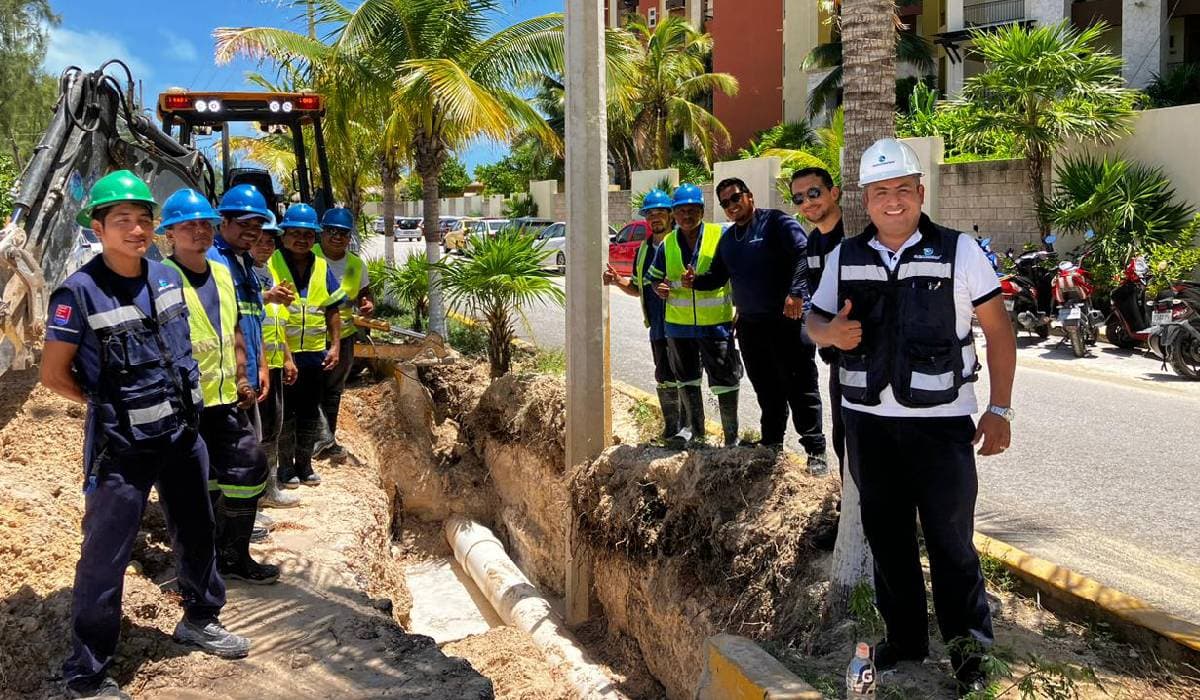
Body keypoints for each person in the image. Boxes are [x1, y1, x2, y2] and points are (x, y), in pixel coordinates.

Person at [806, 139, 1016, 697]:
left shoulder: (959, 251)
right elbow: (814, 320)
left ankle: (971, 658)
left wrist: (999, 409)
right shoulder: (845, 256)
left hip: (940, 425)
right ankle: (905, 641)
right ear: (865, 200)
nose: (893, 201)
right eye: (881, 192)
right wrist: (830, 333)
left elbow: (999, 331)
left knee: (951, 542)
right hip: (867, 424)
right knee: (888, 537)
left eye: (903, 189)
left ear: (921, 192)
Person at [40, 171, 249, 699]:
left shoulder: (166, 278)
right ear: (99, 228)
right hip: (121, 450)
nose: (136, 229)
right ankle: (87, 672)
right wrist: (108, 406)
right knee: (105, 556)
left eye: (143, 219)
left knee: (197, 528)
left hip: (182, 436)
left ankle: (200, 618)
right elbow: (53, 374)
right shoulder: (78, 292)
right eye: (122, 220)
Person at [159, 188, 279, 585]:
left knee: (249, 466)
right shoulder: (161, 279)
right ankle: (201, 562)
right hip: (184, 406)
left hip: (224, 398)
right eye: (188, 226)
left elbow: (234, 328)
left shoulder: (223, 274)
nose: (199, 231)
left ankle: (232, 554)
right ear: (169, 234)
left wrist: (243, 375)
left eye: (203, 224)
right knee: (195, 483)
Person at [684, 177, 827, 472]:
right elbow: (717, 277)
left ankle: (815, 451)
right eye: (725, 203)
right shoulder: (729, 240)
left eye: (735, 198)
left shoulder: (776, 223)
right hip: (751, 327)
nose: (731, 206)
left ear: (749, 196)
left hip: (788, 321)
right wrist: (694, 281)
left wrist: (796, 293)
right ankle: (772, 443)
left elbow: (803, 254)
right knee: (766, 387)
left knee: (800, 386)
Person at [209, 185, 297, 508]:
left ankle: (246, 511)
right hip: (224, 378)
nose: (253, 232)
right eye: (245, 224)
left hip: (247, 372)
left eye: (257, 226)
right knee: (232, 454)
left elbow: (252, 318)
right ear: (224, 221)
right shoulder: (214, 260)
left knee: (249, 445)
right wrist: (238, 374)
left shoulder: (243, 262)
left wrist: (260, 366)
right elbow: (221, 323)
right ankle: (232, 518)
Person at [646, 183, 743, 446]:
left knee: (725, 379)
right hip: (678, 326)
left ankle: (731, 437)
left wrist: (741, 308)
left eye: (692, 210)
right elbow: (654, 278)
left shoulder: (720, 235)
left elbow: (737, 274)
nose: (686, 216)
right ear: (674, 214)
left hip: (716, 324)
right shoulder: (668, 243)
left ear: (702, 210)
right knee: (687, 379)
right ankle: (697, 434)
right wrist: (659, 288)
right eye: (681, 211)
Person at [268, 203, 346, 488]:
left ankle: (305, 464)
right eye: (295, 233)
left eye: (308, 234)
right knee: (286, 413)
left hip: (314, 354)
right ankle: (285, 467)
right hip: (283, 353)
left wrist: (335, 346)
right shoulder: (271, 263)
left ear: (315, 237)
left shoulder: (321, 266)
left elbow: (332, 308)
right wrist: (286, 356)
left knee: (310, 411)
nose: (302, 239)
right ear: (284, 235)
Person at [602, 189, 686, 447]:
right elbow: (638, 287)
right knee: (664, 376)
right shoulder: (644, 250)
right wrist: (617, 280)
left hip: (684, 325)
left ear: (670, 215)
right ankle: (671, 428)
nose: (654, 218)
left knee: (686, 376)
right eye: (650, 214)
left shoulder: (682, 243)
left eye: (659, 213)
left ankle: (689, 430)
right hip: (658, 328)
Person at [790, 166, 846, 473]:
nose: (807, 202)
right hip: (837, 352)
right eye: (799, 198)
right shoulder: (813, 242)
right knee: (843, 434)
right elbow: (816, 296)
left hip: (867, 350)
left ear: (833, 192)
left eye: (814, 193)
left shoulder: (855, 233)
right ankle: (849, 497)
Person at [313, 207, 374, 462]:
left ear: (349, 237)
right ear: (322, 232)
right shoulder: (309, 256)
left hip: (345, 337)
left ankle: (326, 440)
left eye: (342, 233)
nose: (336, 237)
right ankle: (315, 439)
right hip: (311, 336)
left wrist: (367, 303)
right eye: (331, 231)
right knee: (310, 389)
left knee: (333, 390)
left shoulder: (355, 265)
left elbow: (364, 294)